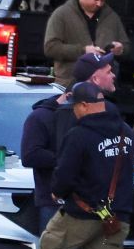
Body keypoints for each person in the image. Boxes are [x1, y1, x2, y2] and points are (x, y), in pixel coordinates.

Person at [42, 81, 134, 249]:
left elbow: (65, 175)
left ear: (84, 105)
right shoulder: (125, 132)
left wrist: (56, 192)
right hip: (115, 219)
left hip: (82, 217)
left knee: (50, 248)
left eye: (74, 108)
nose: (73, 113)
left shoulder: (79, 135)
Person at [22, 53, 116, 229]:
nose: (113, 76)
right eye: (109, 72)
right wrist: (73, 158)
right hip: (57, 207)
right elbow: (30, 155)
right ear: (95, 79)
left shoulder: (105, 115)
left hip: (97, 205)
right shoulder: (41, 117)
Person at [44, 0, 128, 86]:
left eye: (103, 0)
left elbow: (127, 47)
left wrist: (120, 49)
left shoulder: (112, 17)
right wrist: (83, 51)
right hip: (69, 86)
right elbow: (50, 48)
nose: (99, 4)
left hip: (102, 89)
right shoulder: (61, 14)